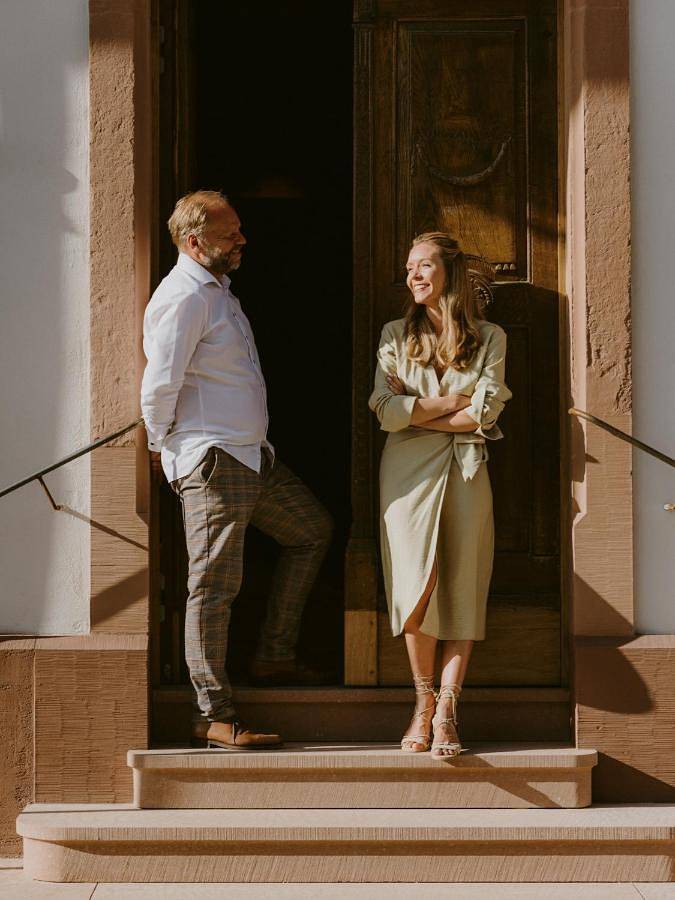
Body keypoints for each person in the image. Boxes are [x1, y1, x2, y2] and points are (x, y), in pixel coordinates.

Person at [141, 190, 333, 749]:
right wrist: (160, 447)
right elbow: (160, 383)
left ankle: (274, 655)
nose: (242, 240)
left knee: (311, 531)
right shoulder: (184, 297)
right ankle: (213, 716)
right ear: (194, 242)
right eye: (230, 234)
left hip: (252, 456)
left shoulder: (217, 291)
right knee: (213, 586)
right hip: (214, 459)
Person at [369, 232, 511, 758]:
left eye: (424, 265)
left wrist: (418, 411)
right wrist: (455, 400)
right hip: (405, 476)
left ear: (450, 272)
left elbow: (485, 412)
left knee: (462, 584)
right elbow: (384, 409)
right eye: (410, 267)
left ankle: (448, 708)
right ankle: (422, 700)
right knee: (416, 587)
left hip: (466, 471)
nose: (413, 275)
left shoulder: (491, 337)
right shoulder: (394, 335)